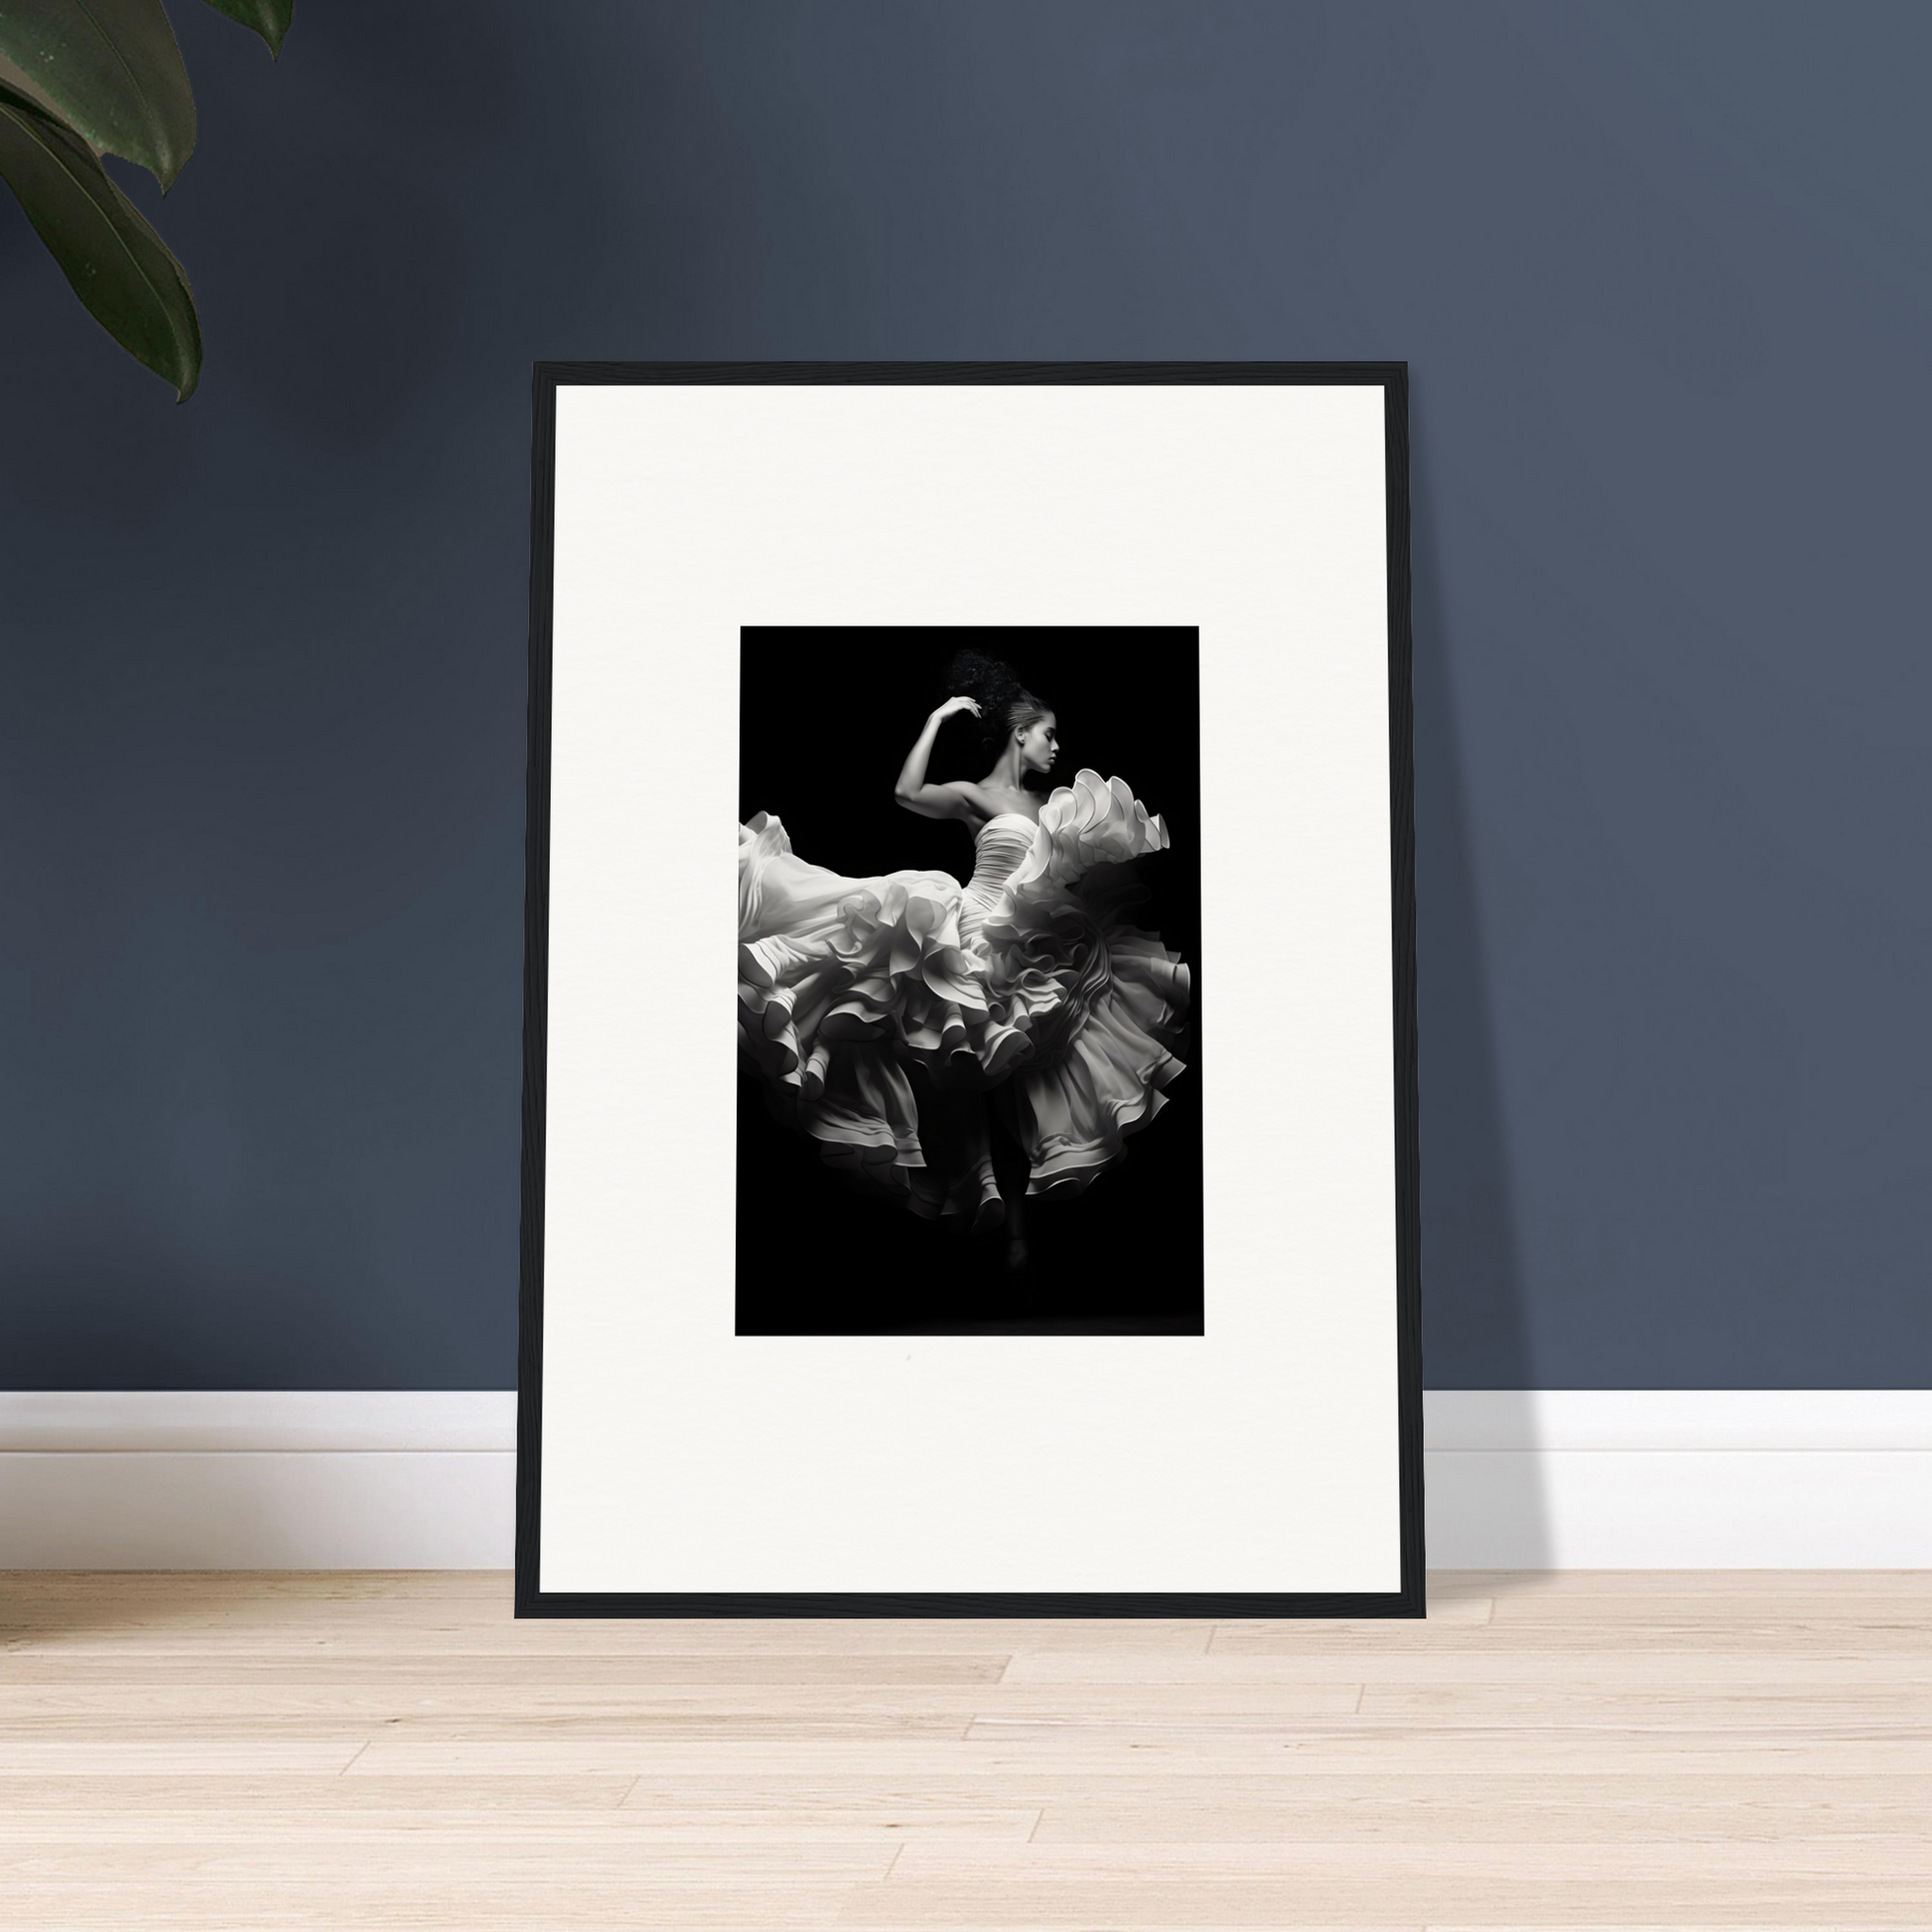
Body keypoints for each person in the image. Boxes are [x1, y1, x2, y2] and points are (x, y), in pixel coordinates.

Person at [738, 648, 1190, 1269]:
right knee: (959, 1079)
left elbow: (1061, 872)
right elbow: (906, 792)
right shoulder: (974, 796)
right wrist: (939, 717)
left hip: (1032, 947)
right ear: (1019, 734)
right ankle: (973, 1232)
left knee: (1019, 1088)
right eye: (1048, 735)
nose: (1056, 748)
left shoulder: (1049, 804)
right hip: (970, 933)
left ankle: (1015, 1231)